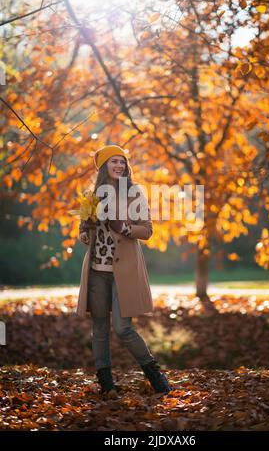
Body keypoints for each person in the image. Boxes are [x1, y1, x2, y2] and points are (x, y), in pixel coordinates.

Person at [76, 144, 172, 398]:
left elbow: (147, 230)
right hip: (97, 270)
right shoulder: (92, 195)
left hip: (124, 271)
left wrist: (125, 227)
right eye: (113, 161)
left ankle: (155, 375)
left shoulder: (134, 193)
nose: (119, 165)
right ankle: (106, 384)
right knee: (99, 328)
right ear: (104, 166)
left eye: (122, 161)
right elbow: (83, 233)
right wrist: (86, 231)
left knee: (122, 328)